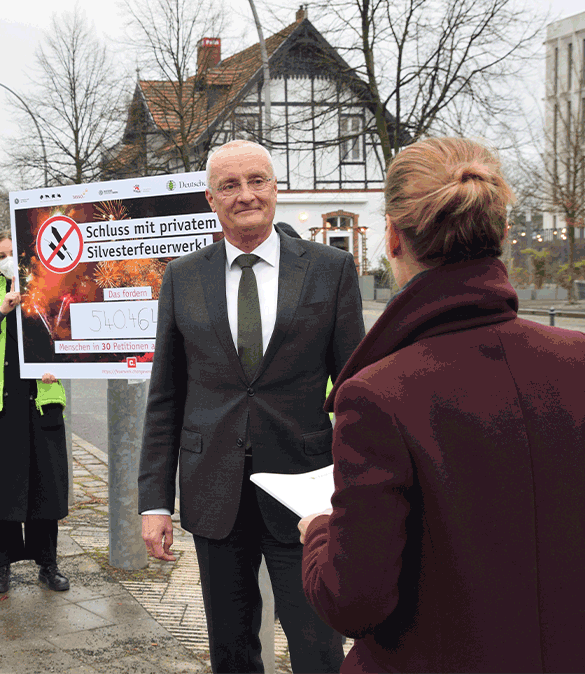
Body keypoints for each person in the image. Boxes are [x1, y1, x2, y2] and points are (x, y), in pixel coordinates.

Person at [299, 137, 585, 673]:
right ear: (500, 233)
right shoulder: (579, 360)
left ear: (391, 237)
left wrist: (317, 529)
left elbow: (353, 601)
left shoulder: (377, 396)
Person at [139, 140, 364, 673]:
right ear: (211, 199)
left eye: (257, 180)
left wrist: (361, 487)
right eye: (230, 185)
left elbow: (356, 389)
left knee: (317, 644)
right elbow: (166, 396)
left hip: (304, 493)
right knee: (232, 648)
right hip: (214, 489)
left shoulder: (330, 269)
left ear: (276, 188)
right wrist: (154, 502)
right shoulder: (182, 276)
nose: (246, 195)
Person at [0, 231, 70, 594]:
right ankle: (0, 565)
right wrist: (0, 312)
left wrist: (60, 366)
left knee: (44, 487)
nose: (6, 259)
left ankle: (48, 563)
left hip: (39, 404)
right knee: (0, 490)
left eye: (12, 253)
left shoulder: (51, 295)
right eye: (0, 254)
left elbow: (69, 342)